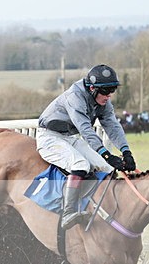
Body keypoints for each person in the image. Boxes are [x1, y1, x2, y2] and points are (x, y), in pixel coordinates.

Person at [36, 64, 136, 230]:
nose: (109, 95)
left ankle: (100, 208)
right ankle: (68, 213)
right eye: (105, 91)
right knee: (80, 165)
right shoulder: (75, 97)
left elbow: (113, 126)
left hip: (69, 137)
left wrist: (126, 152)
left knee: (107, 168)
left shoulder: (103, 101)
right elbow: (86, 130)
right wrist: (107, 154)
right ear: (92, 88)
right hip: (49, 138)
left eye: (112, 90)